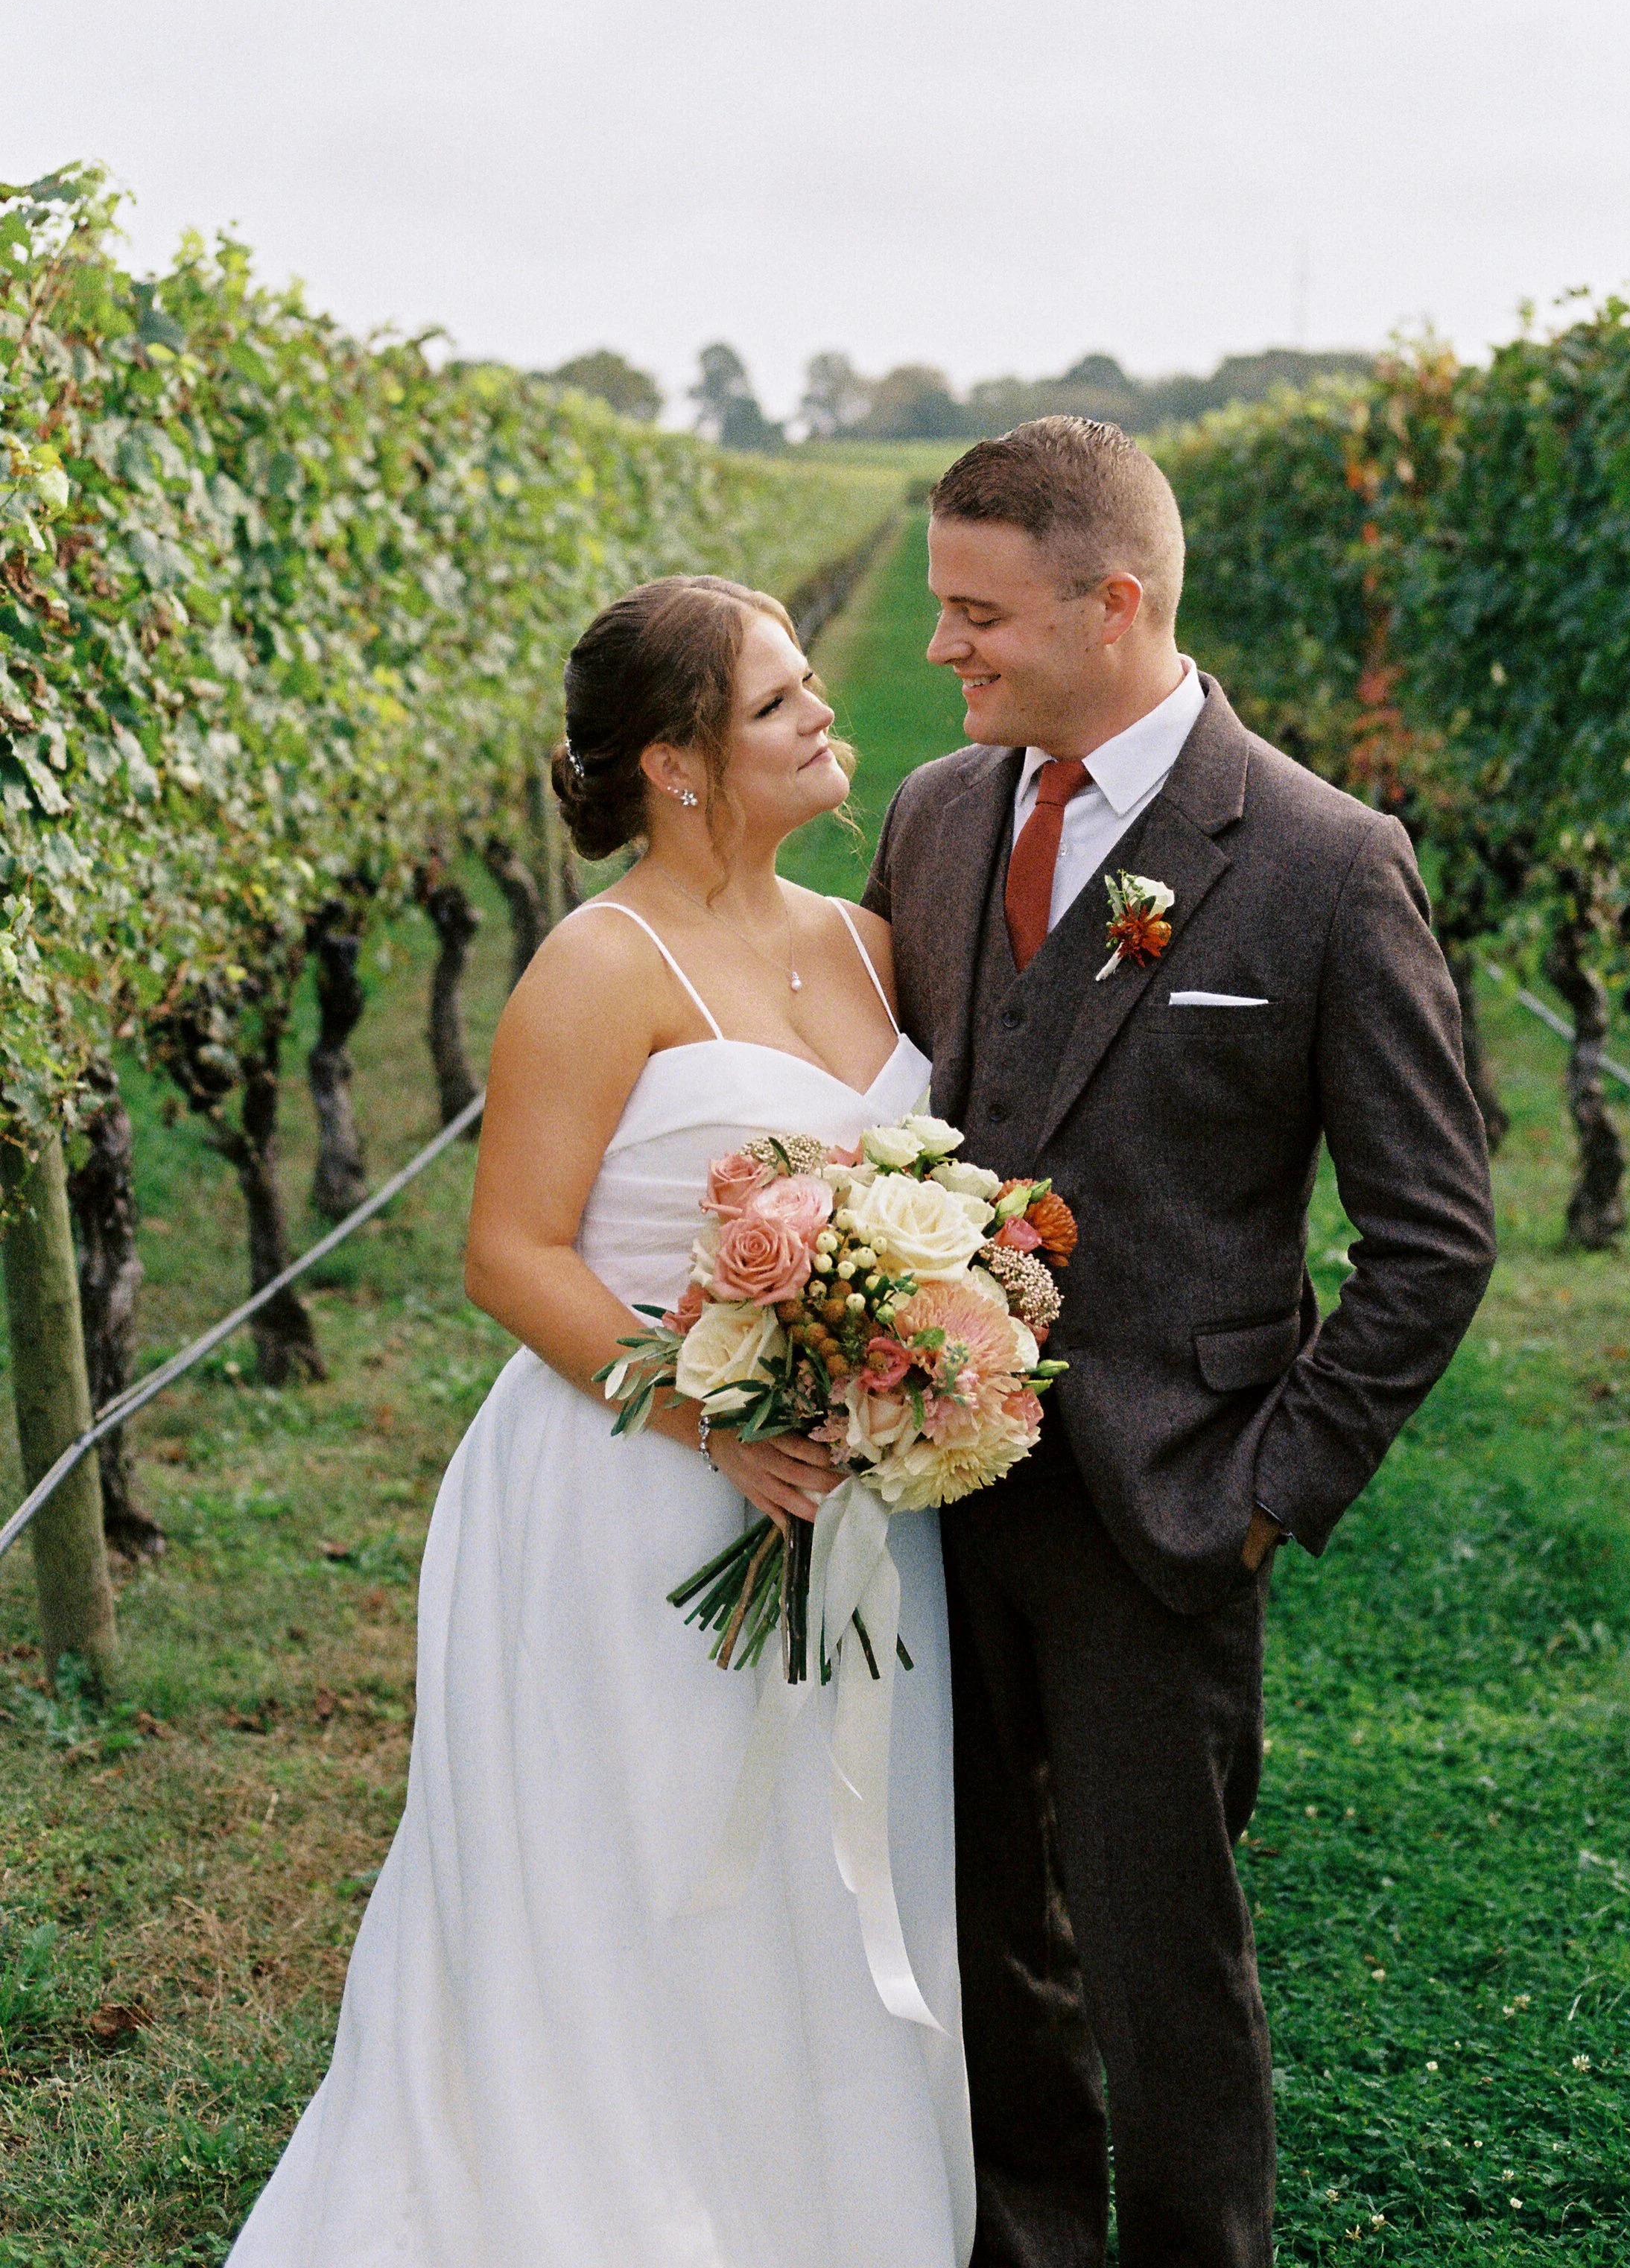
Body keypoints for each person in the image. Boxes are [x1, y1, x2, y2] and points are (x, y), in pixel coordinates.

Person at [228, 576, 972, 2268]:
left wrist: (922, 1349)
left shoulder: (870, 939)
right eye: (780, 701)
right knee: (636, 1883)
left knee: (820, 1874)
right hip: (630, 1497)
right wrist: (713, 1420)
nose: (822, 718)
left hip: (849, 1504)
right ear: (680, 765)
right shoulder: (595, 961)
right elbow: (510, 1251)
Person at [863, 418, 1498, 2268]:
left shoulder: (1316, 858)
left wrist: (1269, 1488)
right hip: (926, 1489)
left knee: (1164, 1959)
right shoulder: (932, 812)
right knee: (977, 1923)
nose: (943, 650)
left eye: (978, 613)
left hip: (1166, 1504)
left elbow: (1433, 1233)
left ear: (1113, 601)